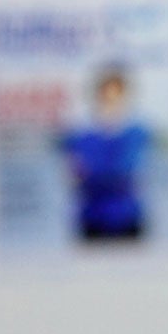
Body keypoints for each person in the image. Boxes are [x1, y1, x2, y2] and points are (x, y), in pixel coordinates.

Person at [59, 65, 150, 242]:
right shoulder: (83, 136)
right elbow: (77, 177)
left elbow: (125, 173)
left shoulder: (136, 133)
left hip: (127, 219)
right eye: (106, 97)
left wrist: (93, 176)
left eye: (116, 97)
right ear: (97, 97)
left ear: (124, 98)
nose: (111, 103)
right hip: (92, 220)